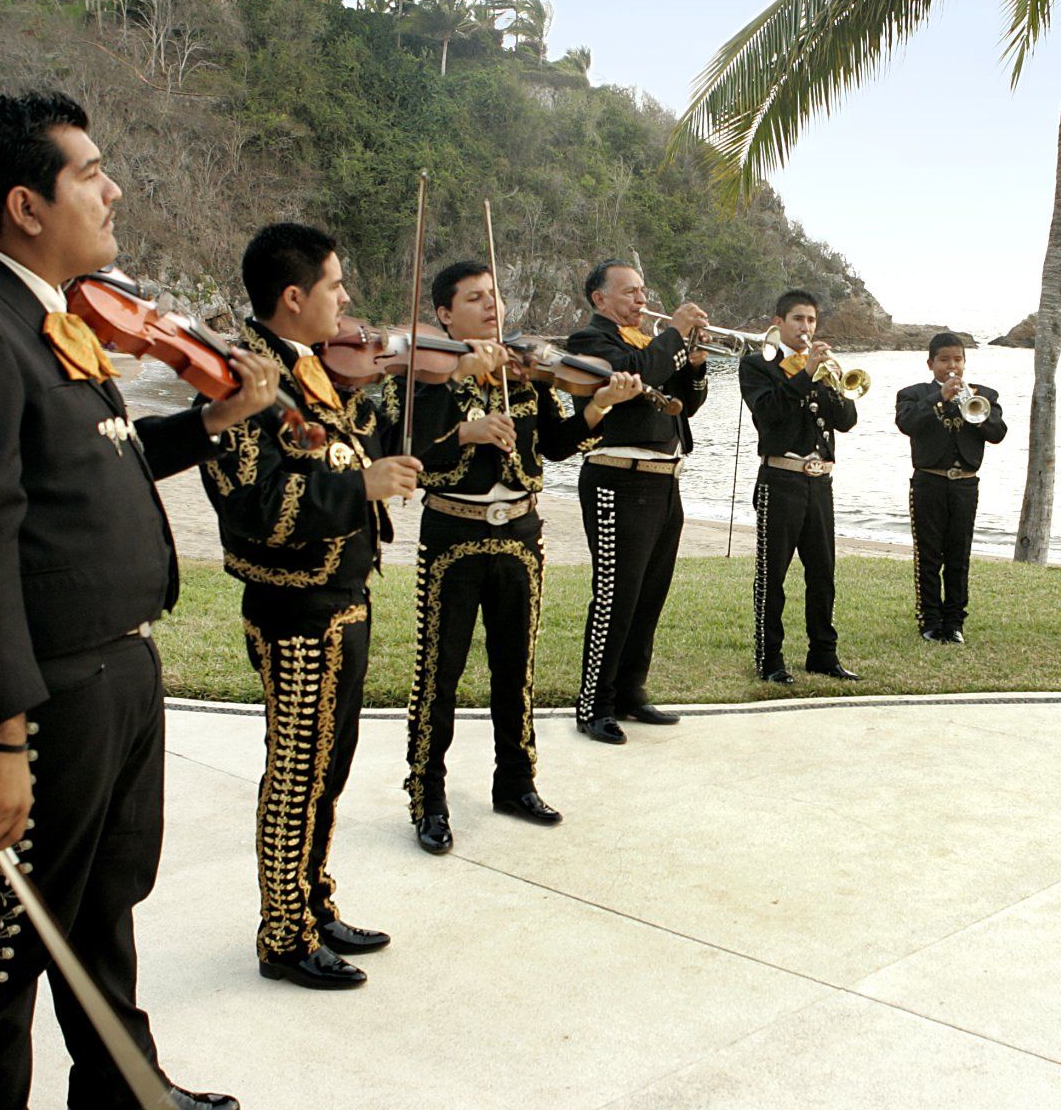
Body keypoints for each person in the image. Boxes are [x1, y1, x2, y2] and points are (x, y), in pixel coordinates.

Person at [0, 91, 257, 1110]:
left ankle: (128, 1092)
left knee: (102, 908)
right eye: (92, 174)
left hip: (113, 668)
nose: (113, 189)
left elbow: (95, 466)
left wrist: (208, 423)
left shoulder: (48, 315)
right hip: (38, 694)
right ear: (27, 204)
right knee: (5, 939)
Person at [197, 223, 423, 990]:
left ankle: (314, 901)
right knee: (294, 774)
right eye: (335, 285)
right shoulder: (245, 381)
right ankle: (283, 935)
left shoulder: (310, 371)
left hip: (343, 599)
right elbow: (255, 506)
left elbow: (348, 442)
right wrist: (358, 486)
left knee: (329, 768)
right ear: (293, 297)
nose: (348, 300)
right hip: (294, 609)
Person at [399, 261, 643, 855]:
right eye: (476, 298)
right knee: (440, 673)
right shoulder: (422, 375)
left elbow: (556, 446)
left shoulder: (525, 368)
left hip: (521, 534)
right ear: (443, 313)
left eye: (495, 298)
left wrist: (599, 406)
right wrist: (466, 431)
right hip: (453, 534)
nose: (491, 308)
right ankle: (428, 797)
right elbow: (403, 446)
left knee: (516, 669)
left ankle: (516, 783)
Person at [563, 260, 710, 744]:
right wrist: (672, 335)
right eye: (629, 293)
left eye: (643, 292)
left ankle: (630, 691)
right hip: (616, 480)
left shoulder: (651, 344)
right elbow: (632, 379)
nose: (641, 301)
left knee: (650, 594)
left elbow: (685, 405)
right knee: (615, 597)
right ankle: (594, 704)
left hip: (665, 479)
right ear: (600, 299)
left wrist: (695, 365)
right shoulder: (591, 343)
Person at [739, 289, 860, 684]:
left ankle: (823, 654)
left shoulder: (823, 370)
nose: (805, 327)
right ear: (779, 323)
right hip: (780, 479)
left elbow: (846, 421)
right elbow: (769, 411)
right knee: (772, 574)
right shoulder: (758, 365)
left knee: (823, 574)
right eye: (798, 320)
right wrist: (806, 374)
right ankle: (769, 658)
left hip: (819, 482)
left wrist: (835, 382)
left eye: (811, 320)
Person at [894, 333, 1006, 643]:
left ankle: (955, 621)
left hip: (965, 485)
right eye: (944, 360)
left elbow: (997, 433)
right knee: (929, 555)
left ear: (965, 362)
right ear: (931, 364)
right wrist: (938, 397)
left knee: (959, 555)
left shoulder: (985, 395)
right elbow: (907, 424)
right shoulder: (913, 395)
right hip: (928, 481)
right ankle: (930, 620)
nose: (952, 366)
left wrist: (975, 412)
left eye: (957, 359)